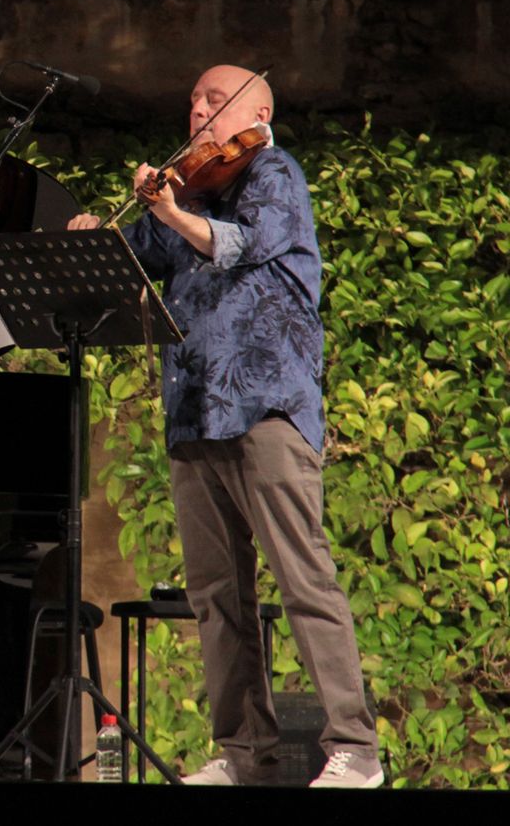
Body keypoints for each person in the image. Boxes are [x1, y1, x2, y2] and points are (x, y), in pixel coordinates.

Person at [68, 65, 381, 788]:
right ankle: (244, 754)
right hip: (194, 409)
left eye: (215, 99)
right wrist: (94, 238)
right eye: (192, 101)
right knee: (217, 594)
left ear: (257, 108)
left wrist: (172, 212)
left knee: (304, 579)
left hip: (266, 406)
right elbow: (133, 266)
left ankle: (356, 752)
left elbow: (241, 246)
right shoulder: (187, 192)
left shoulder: (274, 173)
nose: (198, 112)